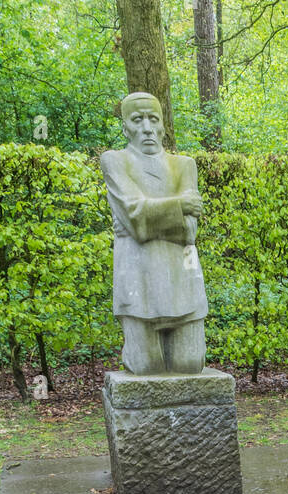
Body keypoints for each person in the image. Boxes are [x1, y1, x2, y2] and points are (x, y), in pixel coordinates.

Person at [100, 92, 208, 376]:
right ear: (125, 127)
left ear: (162, 126)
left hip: (184, 277)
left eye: (153, 119)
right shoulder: (115, 161)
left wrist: (150, 221)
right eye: (137, 119)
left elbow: (191, 231)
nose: (147, 127)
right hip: (138, 280)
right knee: (145, 367)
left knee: (190, 364)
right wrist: (179, 206)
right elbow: (135, 216)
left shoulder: (184, 165)